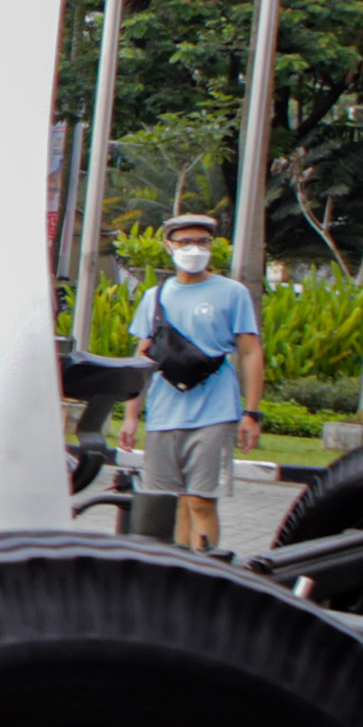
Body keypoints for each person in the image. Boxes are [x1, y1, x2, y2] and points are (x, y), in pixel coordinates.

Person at [130, 209, 262, 552]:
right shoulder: (154, 297)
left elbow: (250, 352)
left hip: (214, 411)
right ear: (168, 246)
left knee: (201, 501)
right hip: (163, 412)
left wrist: (252, 412)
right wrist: (131, 416)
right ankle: (175, 575)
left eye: (202, 241)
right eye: (185, 241)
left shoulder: (232, 293)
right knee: (168, 503)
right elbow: (141, 358)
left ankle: (205, 570)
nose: (194, 248)